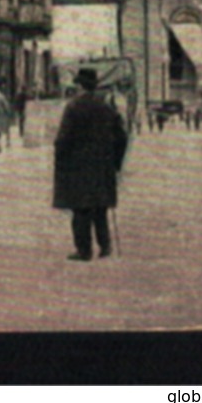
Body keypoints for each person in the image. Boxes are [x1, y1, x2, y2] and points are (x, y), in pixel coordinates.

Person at [52, 66, 129, 261]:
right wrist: (116, 162)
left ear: (80, 85)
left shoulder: (73, 107)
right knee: (100, 207)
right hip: (102, 166)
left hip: (78, 167)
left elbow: (62, 140)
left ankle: (84, 250)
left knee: (81, 209)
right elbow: (122, 137)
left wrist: (61, 161)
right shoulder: (106, 108)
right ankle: (105, 246)